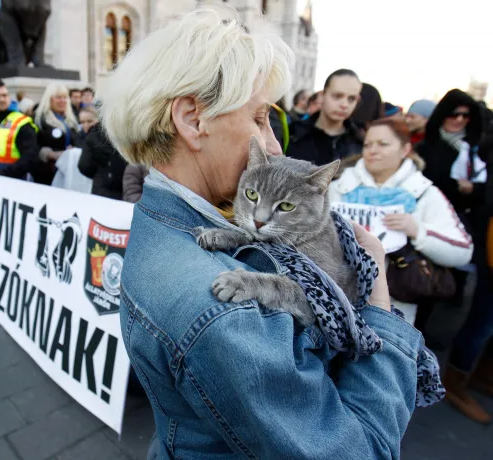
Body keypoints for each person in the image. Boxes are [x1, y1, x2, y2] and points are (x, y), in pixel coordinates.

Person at [100, 6, 422, 458]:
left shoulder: (159, 218)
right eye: (259, 118)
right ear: (192, 119)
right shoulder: (220, 315)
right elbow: (362, 451)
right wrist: (379, 301)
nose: (272, 144)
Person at [328, 118, 473, 325]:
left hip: (395, 308)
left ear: (405, 149)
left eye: (383, 144)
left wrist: (418, 231)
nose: (372, 150)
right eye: (368, 144)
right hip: (336, 298)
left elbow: (463, 251)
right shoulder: (339, 188)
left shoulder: (422, 194)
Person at [418, 89, 492, 424]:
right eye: (454, 114)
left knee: (448, 284)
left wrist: (472, 190)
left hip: (466, 229)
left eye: (466, 116)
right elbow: (426, 185)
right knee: (422, 284)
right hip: (430, 225)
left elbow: (483, 191)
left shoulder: (475, 148)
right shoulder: (429, 146)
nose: (459, 121)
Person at [287, 69, 363, 166]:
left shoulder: (360, 144)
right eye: (337, 96)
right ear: (323, 95)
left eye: (351, 99)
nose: (344, 104)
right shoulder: (292, 134)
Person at [34, 83, 79, 185]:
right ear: (49, 99)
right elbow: (34, 146)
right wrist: (50, 154)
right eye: (58, 97)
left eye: (64, 97)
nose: (62, 101)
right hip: (47, 172)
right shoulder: (40, 120)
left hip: (69, 171)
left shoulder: (72, 120)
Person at [78, 106, 127, 199]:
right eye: (82, 122)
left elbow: (84, 165)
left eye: (89, 121)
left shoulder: (90, 138)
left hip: (101, 186)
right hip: (123, 186)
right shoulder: (120, 133)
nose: (86, 125)